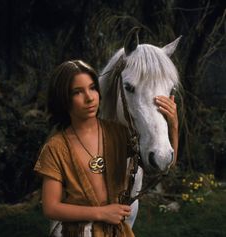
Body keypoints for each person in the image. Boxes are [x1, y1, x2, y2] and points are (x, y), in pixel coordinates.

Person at [34, 60, 178, 237]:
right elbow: (51, 208)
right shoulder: (56, 147)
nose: (89, 97)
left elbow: (163, 165)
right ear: (63, 99)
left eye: (93, 88)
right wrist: (102, 213)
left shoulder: (119, 134)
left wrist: (173, 125)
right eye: (77, 92)